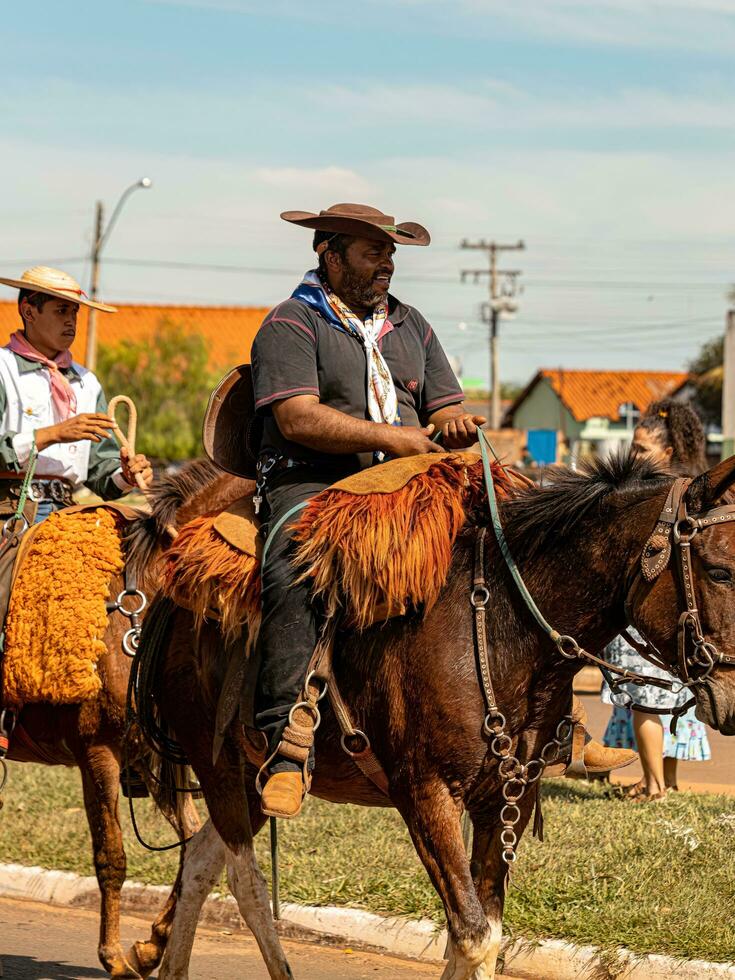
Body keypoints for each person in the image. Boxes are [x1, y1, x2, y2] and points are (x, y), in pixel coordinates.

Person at [250, 202, 636, 818]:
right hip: (314, 483)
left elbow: (440, 409)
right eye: (374, 251)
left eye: (391, 251)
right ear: (330, 253)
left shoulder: (411, 325)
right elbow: (295, 417)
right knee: (294, 566)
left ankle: (561, 726)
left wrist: (449, 426)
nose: (389, 262)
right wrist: (390, 437)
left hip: (412, 475)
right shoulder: (291, 324)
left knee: (521, 542)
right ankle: (285, 745)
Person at [602, 399, 711, 801]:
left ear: (667, 453)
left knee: (646, 701)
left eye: (641, 448)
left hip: (646, 610)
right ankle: (667, 779)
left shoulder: (652, 496)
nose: (632, 455)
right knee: (669, 699)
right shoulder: (691, 492)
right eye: (632, 446)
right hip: (676, 614)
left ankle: (653, 786)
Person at [0, 266, 153, 521]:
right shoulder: (3, 368)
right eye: (61, 311)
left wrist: (125, 476)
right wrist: (53, 434)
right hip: (8, 510)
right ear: (28, 311)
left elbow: (100, 473)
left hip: (68, 513)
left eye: (74, 312)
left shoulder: (86, 382)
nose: (71, 320)